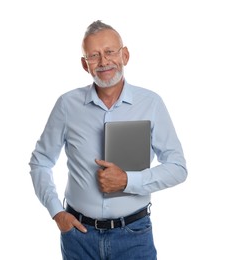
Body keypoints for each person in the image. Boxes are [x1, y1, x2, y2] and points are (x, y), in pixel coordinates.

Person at [29, 20, 187, 260]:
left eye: (110, 52)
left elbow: (178, 168)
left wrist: (128, 180)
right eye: (94, 55)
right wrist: (56, 212)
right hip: (78, 237)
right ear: (85, 64)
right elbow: (40, 161)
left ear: (125, 55)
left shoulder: (151, 103)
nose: (103, 62)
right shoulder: (67, 105)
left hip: (134, 235)